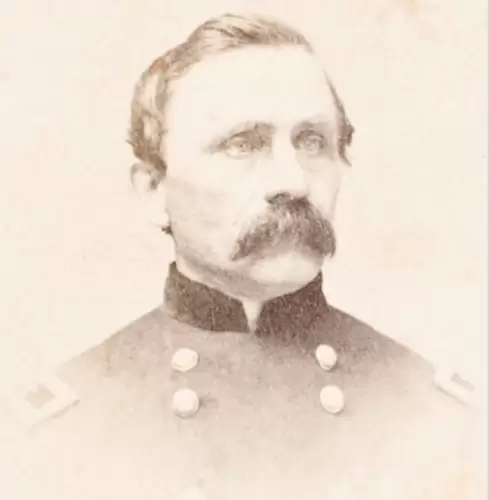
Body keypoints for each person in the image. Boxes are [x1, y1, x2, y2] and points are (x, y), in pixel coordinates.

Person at [1, 13, 483, 500]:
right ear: (154, 189)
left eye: (312, 142)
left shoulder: (441, 422)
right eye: (243, 144)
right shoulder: (53, 439)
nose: (293, 182)